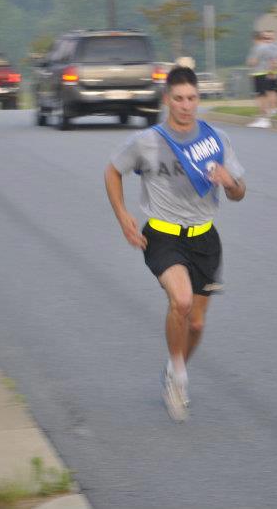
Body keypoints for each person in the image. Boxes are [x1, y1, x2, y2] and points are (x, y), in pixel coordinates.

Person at [105, 66, 246, 422]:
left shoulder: (216, 139)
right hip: (163, 235)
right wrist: (123, 216)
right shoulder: (147, 141)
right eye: (179, 99)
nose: (186, 106)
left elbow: (239, 193)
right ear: (167, 99)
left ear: (199, 99)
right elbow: (112, 171)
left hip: (205, 239)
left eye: (192, 99)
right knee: (180, 300)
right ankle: (179, 380)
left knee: (195, 324)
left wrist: (230, 182)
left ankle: (174, 368)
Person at [245, 31, 277, 128]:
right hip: (266, 73)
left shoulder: (257, 48)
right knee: (265, 95)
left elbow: (253, 62)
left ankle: (264, 118)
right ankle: (264, 117)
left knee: (260, 96)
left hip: (259, 73)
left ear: (254, 39)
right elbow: (274, 61)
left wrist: (249, 62)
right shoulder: (268, 47)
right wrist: (272, 71)